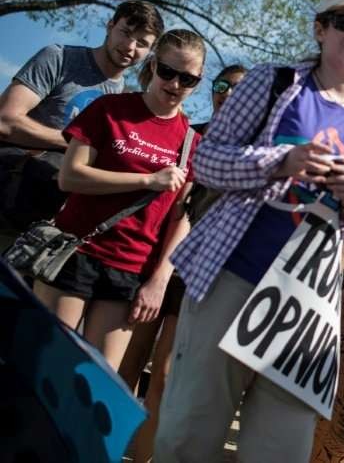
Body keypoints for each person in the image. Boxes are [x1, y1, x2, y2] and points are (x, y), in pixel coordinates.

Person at [154, 0, 344, 463]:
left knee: (281, 447)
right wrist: (281, 161)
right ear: (320, 29)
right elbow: (208, 161)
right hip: (234, 275)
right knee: (191, 432)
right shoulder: (274, 82)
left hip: (305, 304)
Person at [32, 29, 204, 371]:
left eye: (187, 78)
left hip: (129, 269)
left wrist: (159, 280)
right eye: (168, 72)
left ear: (197, 81)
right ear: (153, 66)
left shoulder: (190, 142)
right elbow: (71, 176)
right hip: (74, 252)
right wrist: (147, 180)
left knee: (96, 384)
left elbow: (179, 218)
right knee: (46, 371)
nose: (174, 84)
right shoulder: (110, 109)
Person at [117, 63, 244, 463]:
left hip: (199, 272)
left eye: (238, 88)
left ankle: (142, 457)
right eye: (221, 84)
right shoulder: (190, 135)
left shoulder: (254, 153)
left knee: (166, 375)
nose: (226, 93)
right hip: (154, 256)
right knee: (125, 365)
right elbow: (177, 207)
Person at [0, 1, 164, 243]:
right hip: (8, 194)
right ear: (110, 26)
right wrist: (76, 142)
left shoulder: (124, 102)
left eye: (141, 43)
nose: (130, 46)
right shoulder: (59, 58)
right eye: (126, 33)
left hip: (47, 227)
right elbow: (5, 120)